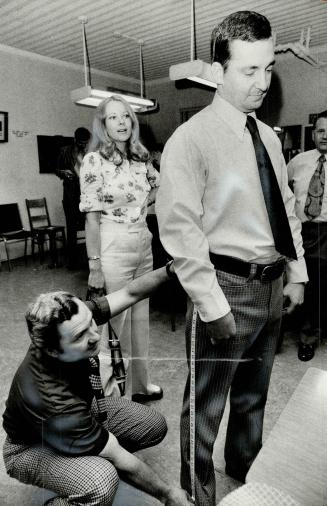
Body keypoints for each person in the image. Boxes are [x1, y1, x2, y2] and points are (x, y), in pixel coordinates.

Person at [156, 10, 308, 506]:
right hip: (224, 287)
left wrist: (295, 272)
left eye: (268, 69)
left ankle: (246, 472)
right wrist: (212, 304)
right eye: (250, 70)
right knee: (205, 407)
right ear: (218, 72)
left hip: (269, 286)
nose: (263, 83)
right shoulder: (190, 140)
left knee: (253, 399)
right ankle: (197, 495)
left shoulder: (268, 136)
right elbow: (180, 234)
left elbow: (285, 209)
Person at [2, 263, 192, 506]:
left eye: (92, 322)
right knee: (102, 482)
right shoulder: (51, 397)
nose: (94, 335)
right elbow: (118, 454)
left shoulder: (71, 321)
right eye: (81, 336)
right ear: (52, 351)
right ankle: (78, 472)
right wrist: (168, 495)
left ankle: (82, 452)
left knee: (152, 424)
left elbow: (130, 293)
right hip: (29, 447)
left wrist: (172, 269)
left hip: (74, 414)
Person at [79, 95, 162, 401]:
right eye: (113, 117)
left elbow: (161, 187)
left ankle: (141, 385)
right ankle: (111, 401)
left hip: (142, 240)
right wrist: (95, 266)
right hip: (111, 243)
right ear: (103, 125)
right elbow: (90, 218)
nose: (121, 122)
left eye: (125, 116)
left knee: (141, 319)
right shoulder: (93, 161)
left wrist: (145, 206)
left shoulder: (140, 157)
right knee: (112, 328)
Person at [287, 110, 327, 361]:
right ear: (313, 134)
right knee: (310, 285)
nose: (326, 136)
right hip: (304, 231)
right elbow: (281, 188)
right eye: (321, 130)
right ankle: (307, 337)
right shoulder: (298, 161)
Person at [56, 127, 90, 269]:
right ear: (75, 139)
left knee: (90, 225)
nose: (83, 145)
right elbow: (56, 169)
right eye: (81, 142)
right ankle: (72, 262)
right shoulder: (65, 151)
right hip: (70, 195)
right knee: (71, 229)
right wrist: (64, 173)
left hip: (87, 195)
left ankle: (89, 260)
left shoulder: (90, 153)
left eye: (86, 142)